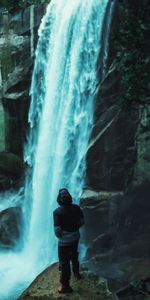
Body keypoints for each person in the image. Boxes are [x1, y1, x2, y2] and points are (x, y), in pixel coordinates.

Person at [53, 188, 84, 294]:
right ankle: (76, 272)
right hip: (75, 237)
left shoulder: (57, 212)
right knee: (74, 254)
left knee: (64, 262)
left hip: (63, 242)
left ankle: (65, 286)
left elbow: (57, 231)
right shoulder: (76, 208)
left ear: (59, 199)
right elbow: (81, 222)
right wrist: (74, 229)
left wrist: (63, 235)